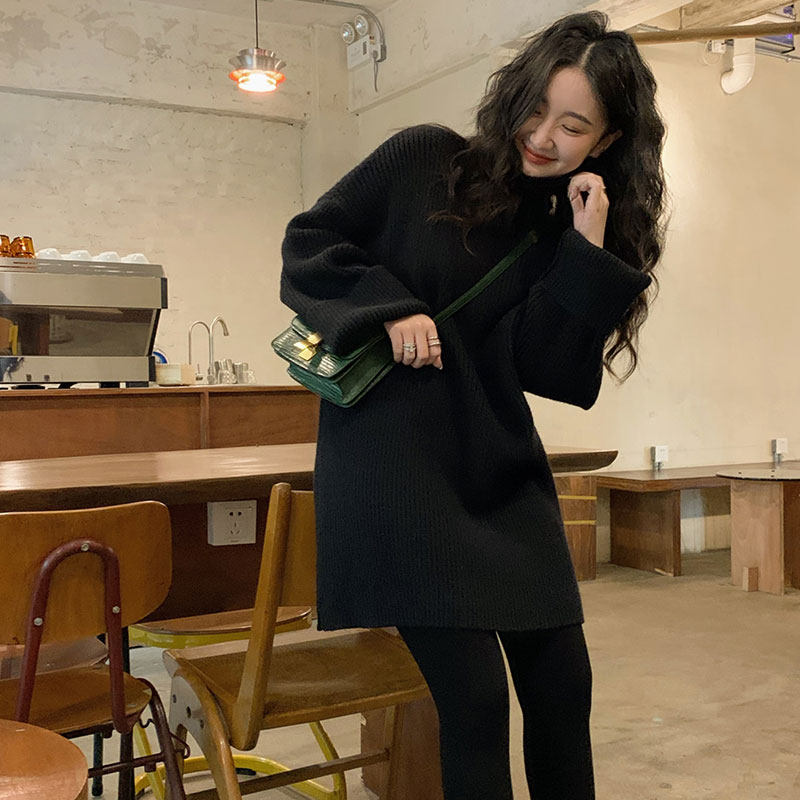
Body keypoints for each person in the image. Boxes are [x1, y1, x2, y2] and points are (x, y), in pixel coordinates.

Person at [280, 10, 665, 800]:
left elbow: (549, 368)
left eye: (573, 126)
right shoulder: (424, 158)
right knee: (477, 702)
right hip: (397, 468)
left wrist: (587, 248)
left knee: (563, 687)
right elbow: (310, 242)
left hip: (497, 470)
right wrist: (387, 308)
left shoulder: (559, 231)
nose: (544, 137)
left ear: (608, 141)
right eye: (536, 110)